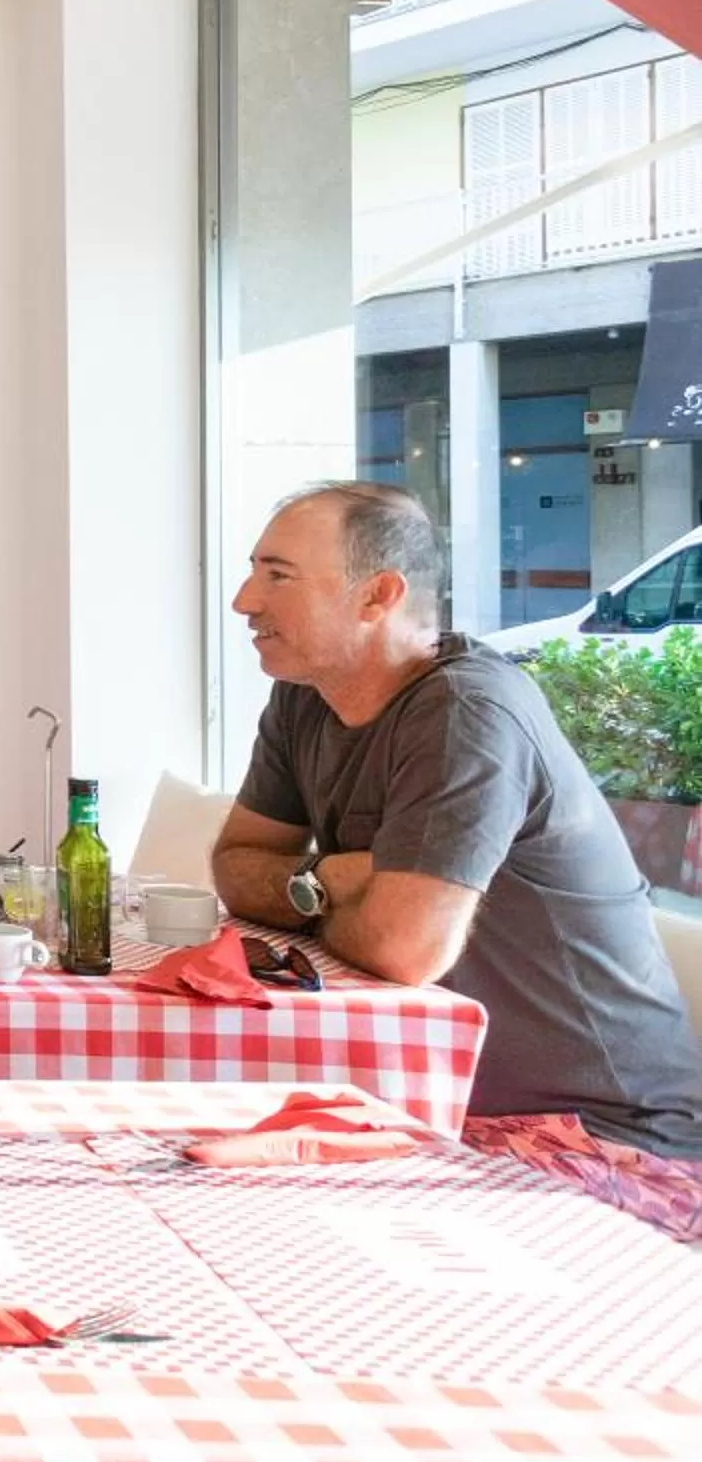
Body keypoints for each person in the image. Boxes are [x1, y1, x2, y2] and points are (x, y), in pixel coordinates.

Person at [216, 482, 702, 1192]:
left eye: (276, 576)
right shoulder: (305, 696)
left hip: (601, 1140)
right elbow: (232, 868)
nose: (245, 601)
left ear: (377, 595)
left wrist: (311, 895)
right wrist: (335, 881)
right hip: (430, 1106)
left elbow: (402, 948)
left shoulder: (464, 712)